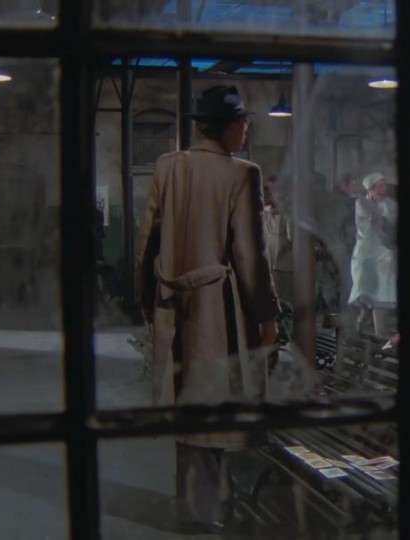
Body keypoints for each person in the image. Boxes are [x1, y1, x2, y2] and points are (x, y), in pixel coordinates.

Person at [134, 84, 282, 534]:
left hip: (172, 302)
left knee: (187, 405)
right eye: (243, 123)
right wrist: (268, 317)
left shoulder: (167, 166)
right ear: (230, 127)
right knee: (216, 405)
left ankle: (191, 504)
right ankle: (210, 508)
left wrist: (146, 298)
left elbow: (147, 239)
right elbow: (251, 256)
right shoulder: (242, 174)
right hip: (219, 308)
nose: (246, 130)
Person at [348, 172, 398, 336]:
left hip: (384, 253)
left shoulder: (390, 204)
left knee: (381, 293)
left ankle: (379, 333)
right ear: (370, 188)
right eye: (379, 186)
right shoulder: (361, 202)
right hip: (365, 252)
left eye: (384, 186)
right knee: (363, 289)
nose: (383, 189)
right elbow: (374, 219)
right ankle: (361, 318)